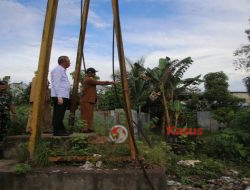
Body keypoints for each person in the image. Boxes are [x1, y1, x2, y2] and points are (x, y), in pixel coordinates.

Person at [80, 67, 118, 133]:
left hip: (90, 100)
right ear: (89, 73)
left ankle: (88, 128)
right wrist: (112, 82)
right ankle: (84, 129)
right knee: (86, 115)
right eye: (93, 73)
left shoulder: (90, 79)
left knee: (90, 115)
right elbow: (100, 82)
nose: (94, 74)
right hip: (86, 100)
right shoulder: (88, 80)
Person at [51, 56, 71, 136]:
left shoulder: (62, 70)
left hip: (63, 96)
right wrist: (59, 97)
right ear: (63, 62)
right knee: (58, 114)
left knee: (60, 114)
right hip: (60, 96)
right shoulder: (58, 70)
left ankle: (61, 130)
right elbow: (56, 84)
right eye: (68, 61)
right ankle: (57, 131)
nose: (69, 63)